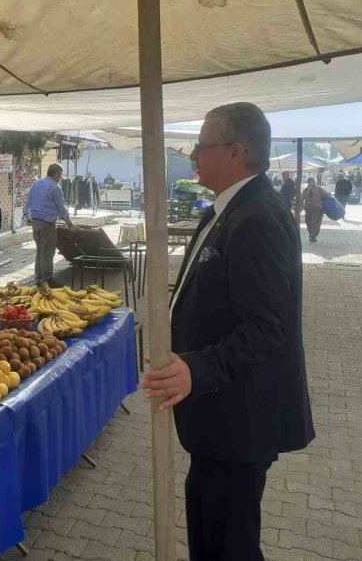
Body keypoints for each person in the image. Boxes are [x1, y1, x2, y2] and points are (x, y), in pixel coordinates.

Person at [141, 102, 314, 561]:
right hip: (218, 420)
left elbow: (267, 326)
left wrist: (196, 369)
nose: (194, 155)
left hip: (241, 419)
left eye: (202, 145)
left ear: (236, 152)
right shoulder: (228, 207)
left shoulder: (258, 218)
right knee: (208, 531)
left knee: (230, 543)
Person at [24, 162, 74, 286]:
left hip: (36, 223)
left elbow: (28, 203)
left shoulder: (36, 184)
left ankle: (38, 277)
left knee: (40, 250)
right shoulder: (55, 188)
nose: (60, 177)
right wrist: (70, 224)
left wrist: (29, 217)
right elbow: (61, 208)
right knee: (47, 252)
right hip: (47, 224)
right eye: (60, 174)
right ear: (57, 173)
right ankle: (46, 278)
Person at [302, 177, 330, 242]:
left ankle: (311, 235)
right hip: (317, 208)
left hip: (308, 208)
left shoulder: (306, 190)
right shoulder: (319, 189)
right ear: (314, 182)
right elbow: (326, 196)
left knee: (309, 222)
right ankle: (312, 235)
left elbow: (301, 199)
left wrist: (300, 206)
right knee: (316, 222)